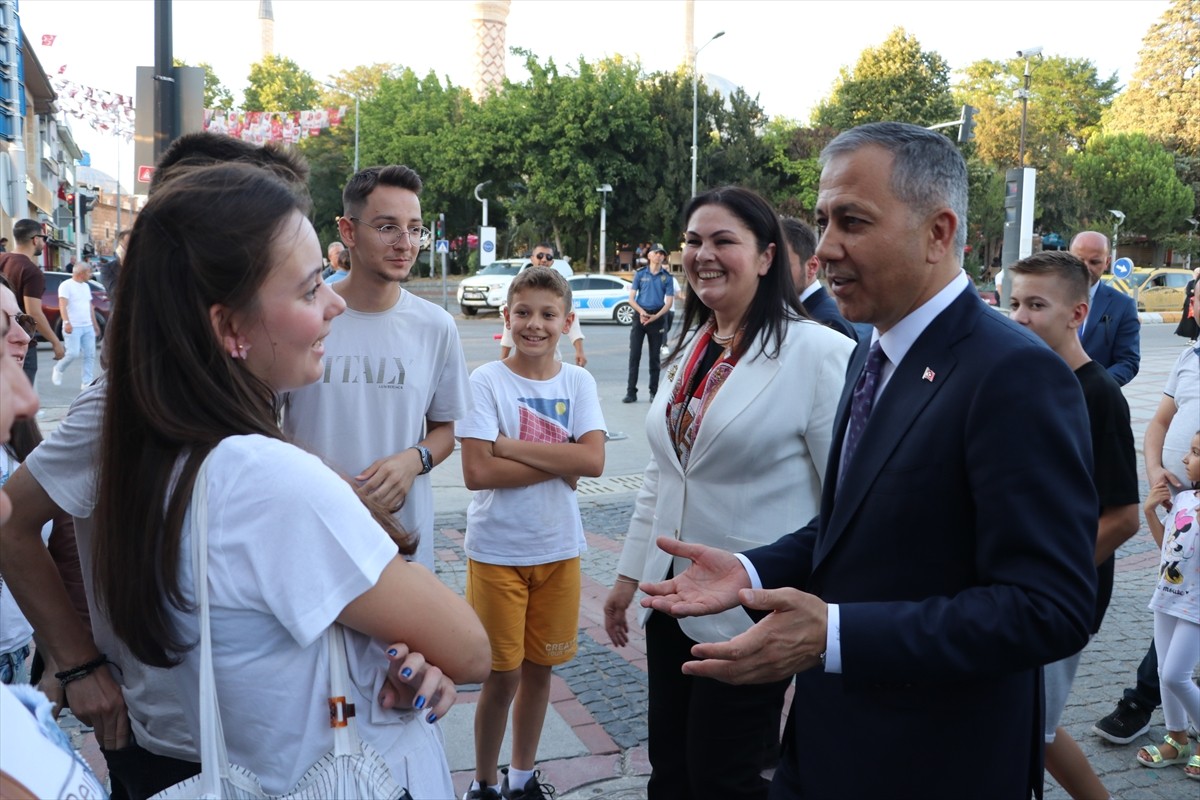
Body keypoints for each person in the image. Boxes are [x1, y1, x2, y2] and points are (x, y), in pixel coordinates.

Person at [639, 122, 1098, 800]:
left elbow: (1049, 608)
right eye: (823, 221)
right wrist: (753, 566)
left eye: (852, 221)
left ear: (938, 233)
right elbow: (855, 524)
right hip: (831, 747)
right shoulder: (872, 352)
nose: (823, 249)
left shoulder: (1014, 375)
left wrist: (834, 635)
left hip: (931, 763)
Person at [0, 133, 384, 800]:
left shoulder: (260, 383)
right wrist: (77, 663)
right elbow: (11, 522)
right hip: (180, 750)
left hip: (286, 741)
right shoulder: (123, 404)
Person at [92, 162, 490, 796]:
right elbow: (471, 648)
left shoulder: (168, 448)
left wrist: (394, 647)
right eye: (308, 290)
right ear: (229, 328)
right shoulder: (268, 479)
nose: (332, 303)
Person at [605, 187, 852, 800]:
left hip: (750, 609)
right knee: (671, 766)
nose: (702, 255)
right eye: (692, 241)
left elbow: (846, 506)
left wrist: (823, 618)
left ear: (767, 257)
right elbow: (665, 474)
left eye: (723, 241)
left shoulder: (821, 353)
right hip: (671, 599)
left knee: (725, 777)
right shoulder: (689, 347)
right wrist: (627, 578)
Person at [458, 267, 607, 800]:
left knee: (541, 669)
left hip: (559, 550)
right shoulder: (485, 382)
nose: (534, 325)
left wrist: (509, 444)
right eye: (523, 312)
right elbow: (477, 473)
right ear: (506, 318)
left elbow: (592, 461)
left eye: (548, 315)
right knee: (501, 675)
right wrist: (561, 459)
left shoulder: (578, 382)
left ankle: (521, 778)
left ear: (567, 322)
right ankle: (483, 783)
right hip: (498, 552)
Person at [283, 165, 470, 572]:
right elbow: (262, 427)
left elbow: (445, 432)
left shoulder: (436, 326)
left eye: (415, 229)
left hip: (401, 544)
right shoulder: (304, 316)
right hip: (312, 535)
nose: (405, 243)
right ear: (348, 231)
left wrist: (413, 460)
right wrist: (326, 482)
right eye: (387, 227)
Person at [1009, 251, 1140, 799]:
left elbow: (1124, 517)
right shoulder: (1023, 382)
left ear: (1077, 313)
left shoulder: (1098, 396)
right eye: (1013, 302)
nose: (1019, 317)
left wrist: (1054, 577)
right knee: (1023, 725)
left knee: (1031, 729)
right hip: (1014, 591)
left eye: (1036, 305)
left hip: (1061, 598)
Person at [1093, 286, 1200, 746]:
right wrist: (1156, 469)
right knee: (1176, 599)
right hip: (1179, 510)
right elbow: (1158, 422)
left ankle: (1144, 700)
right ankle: (1170, 722)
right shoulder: (1190, 357)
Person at [1136, 431, 1200, 779]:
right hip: (1168, 596)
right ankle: (1176, 740)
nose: (1187, 459)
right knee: (1163, 671)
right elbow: (1167, 552)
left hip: (1196, 607)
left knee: (1177, 674)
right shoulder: (1185, 498)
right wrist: (1150, 512)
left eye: (1195, 453)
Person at [1069, 231, 1140, 386]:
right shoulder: (1048, 297)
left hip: (1094, 403)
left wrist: (1096, 385)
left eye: (1094, 262)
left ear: (1107, 262)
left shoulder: (1123, 306)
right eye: (1079, 260)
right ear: (1068, 257)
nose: (1085, 267)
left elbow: (1128, 361)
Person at [499, 243, 587, 367]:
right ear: (532, 258)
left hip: (553, 360)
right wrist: (502, 360)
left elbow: (574, 325)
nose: (535, 325)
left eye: (548, 314)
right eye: (540, 256)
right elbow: (508, 331)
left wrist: (579, 350)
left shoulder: (560, 290)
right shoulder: (519, 286)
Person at [0, 219, 64, 384]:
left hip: (2, 337)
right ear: (35, 239)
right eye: (44, 238)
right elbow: (33, 312)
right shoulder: (31, 271)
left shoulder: (2, 259)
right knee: (20, 399)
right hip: (20, 341)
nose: (44, 243)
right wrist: (56, 342)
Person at [780, 216, 861, 341]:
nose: (772, 273)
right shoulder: (793, 314)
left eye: (782, 265)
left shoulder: (829, 324)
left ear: (812, 266)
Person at [623, 244, 674, 403]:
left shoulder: (667, 277)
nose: (659, 256)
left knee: (654, 358)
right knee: (634, 356)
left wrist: (655, 316)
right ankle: (631, 392)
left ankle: (654, 392)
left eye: (662, 254)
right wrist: (641, 312)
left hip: (657, 317)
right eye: (656, 253)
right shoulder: (640, 274)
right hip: (640, 316)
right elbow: (631, 299)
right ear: (650, 255)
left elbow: (669, 302)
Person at [50, 261, 98, 390]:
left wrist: (95, 324)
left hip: (87, 326)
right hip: (73, 326)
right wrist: (66, 322)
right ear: (81, 273)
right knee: (73, 353)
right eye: (89, 272)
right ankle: (58, 368)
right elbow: (62, 305)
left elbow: (90, 306)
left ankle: (86, 383)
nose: (91, 275)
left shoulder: (85, 286)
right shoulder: (66, 285)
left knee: (90, 355)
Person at [1175, 267, 1199, 343]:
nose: (1197, 274)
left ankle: (1195, 338)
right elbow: (1189, 293)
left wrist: (1194, 291)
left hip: (1196, 305)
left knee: (1196, 322)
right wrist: (1193, 292)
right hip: (1189, 305)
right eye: (1196, 273)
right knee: (1190, 322)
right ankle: (1192, 338)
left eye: (1198, 273)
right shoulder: (1191, 283)